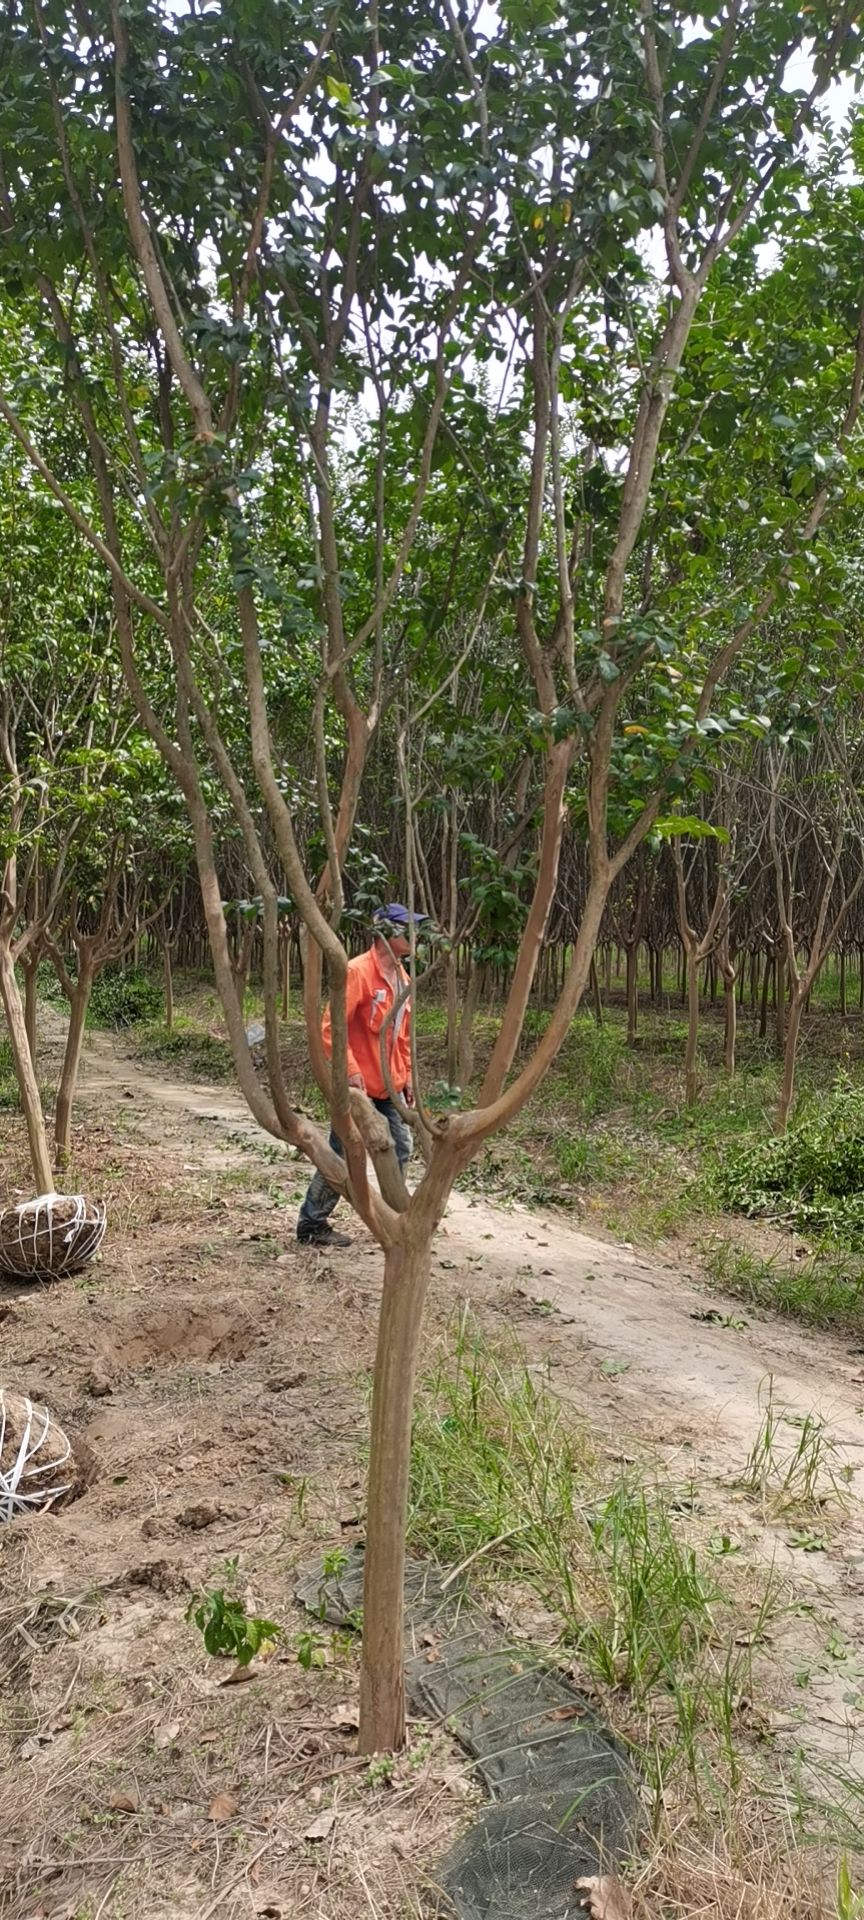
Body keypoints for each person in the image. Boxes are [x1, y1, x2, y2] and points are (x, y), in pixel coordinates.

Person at [296, 903, 424, 1247]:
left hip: (389, 1089)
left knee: (399, 1149)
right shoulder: (357, 972)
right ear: (385, 932)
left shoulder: (403, 978)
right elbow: (330, 1027)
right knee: (344, 1155)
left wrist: (408, 1075)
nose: (414, 936)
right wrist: (350, 1071)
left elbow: (404, 1035)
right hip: (359, 1089)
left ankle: (396, 1219)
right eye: (406, 928)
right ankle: (312, 1224)